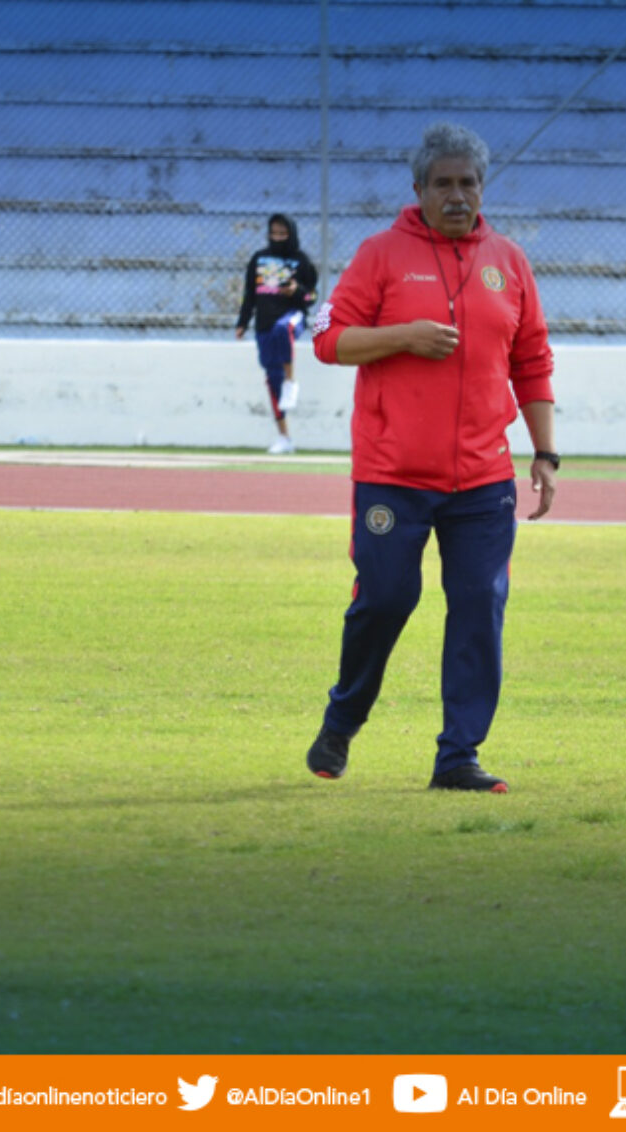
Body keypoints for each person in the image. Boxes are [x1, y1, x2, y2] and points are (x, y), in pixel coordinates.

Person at [303, 122, 558, 793]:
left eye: (467, 183)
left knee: (480, 604)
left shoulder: (509, 262)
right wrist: (403, 336)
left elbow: (532, 358)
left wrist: (546, 451)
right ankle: (343, 718)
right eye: (442, 183)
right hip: (393, 475)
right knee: (386, 598)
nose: (456, 195)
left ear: (482, 189)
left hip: (484, 479)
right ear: (418, 190)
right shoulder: (381, 255)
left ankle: (458, 758)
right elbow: (327, 339)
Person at [234, 213, 317, 455]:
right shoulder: (258, 259)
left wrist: (296, 290)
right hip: (263, 323)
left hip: (292, 315)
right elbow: (250, 294)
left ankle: (291, 381)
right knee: (272, 379)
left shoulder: (302, 261)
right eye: (274, 234)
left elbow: (312, 296)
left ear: (291, 234)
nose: (278, 238)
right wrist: (243, 322)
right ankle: (284, 437)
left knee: (284, 328)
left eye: (283, 234)